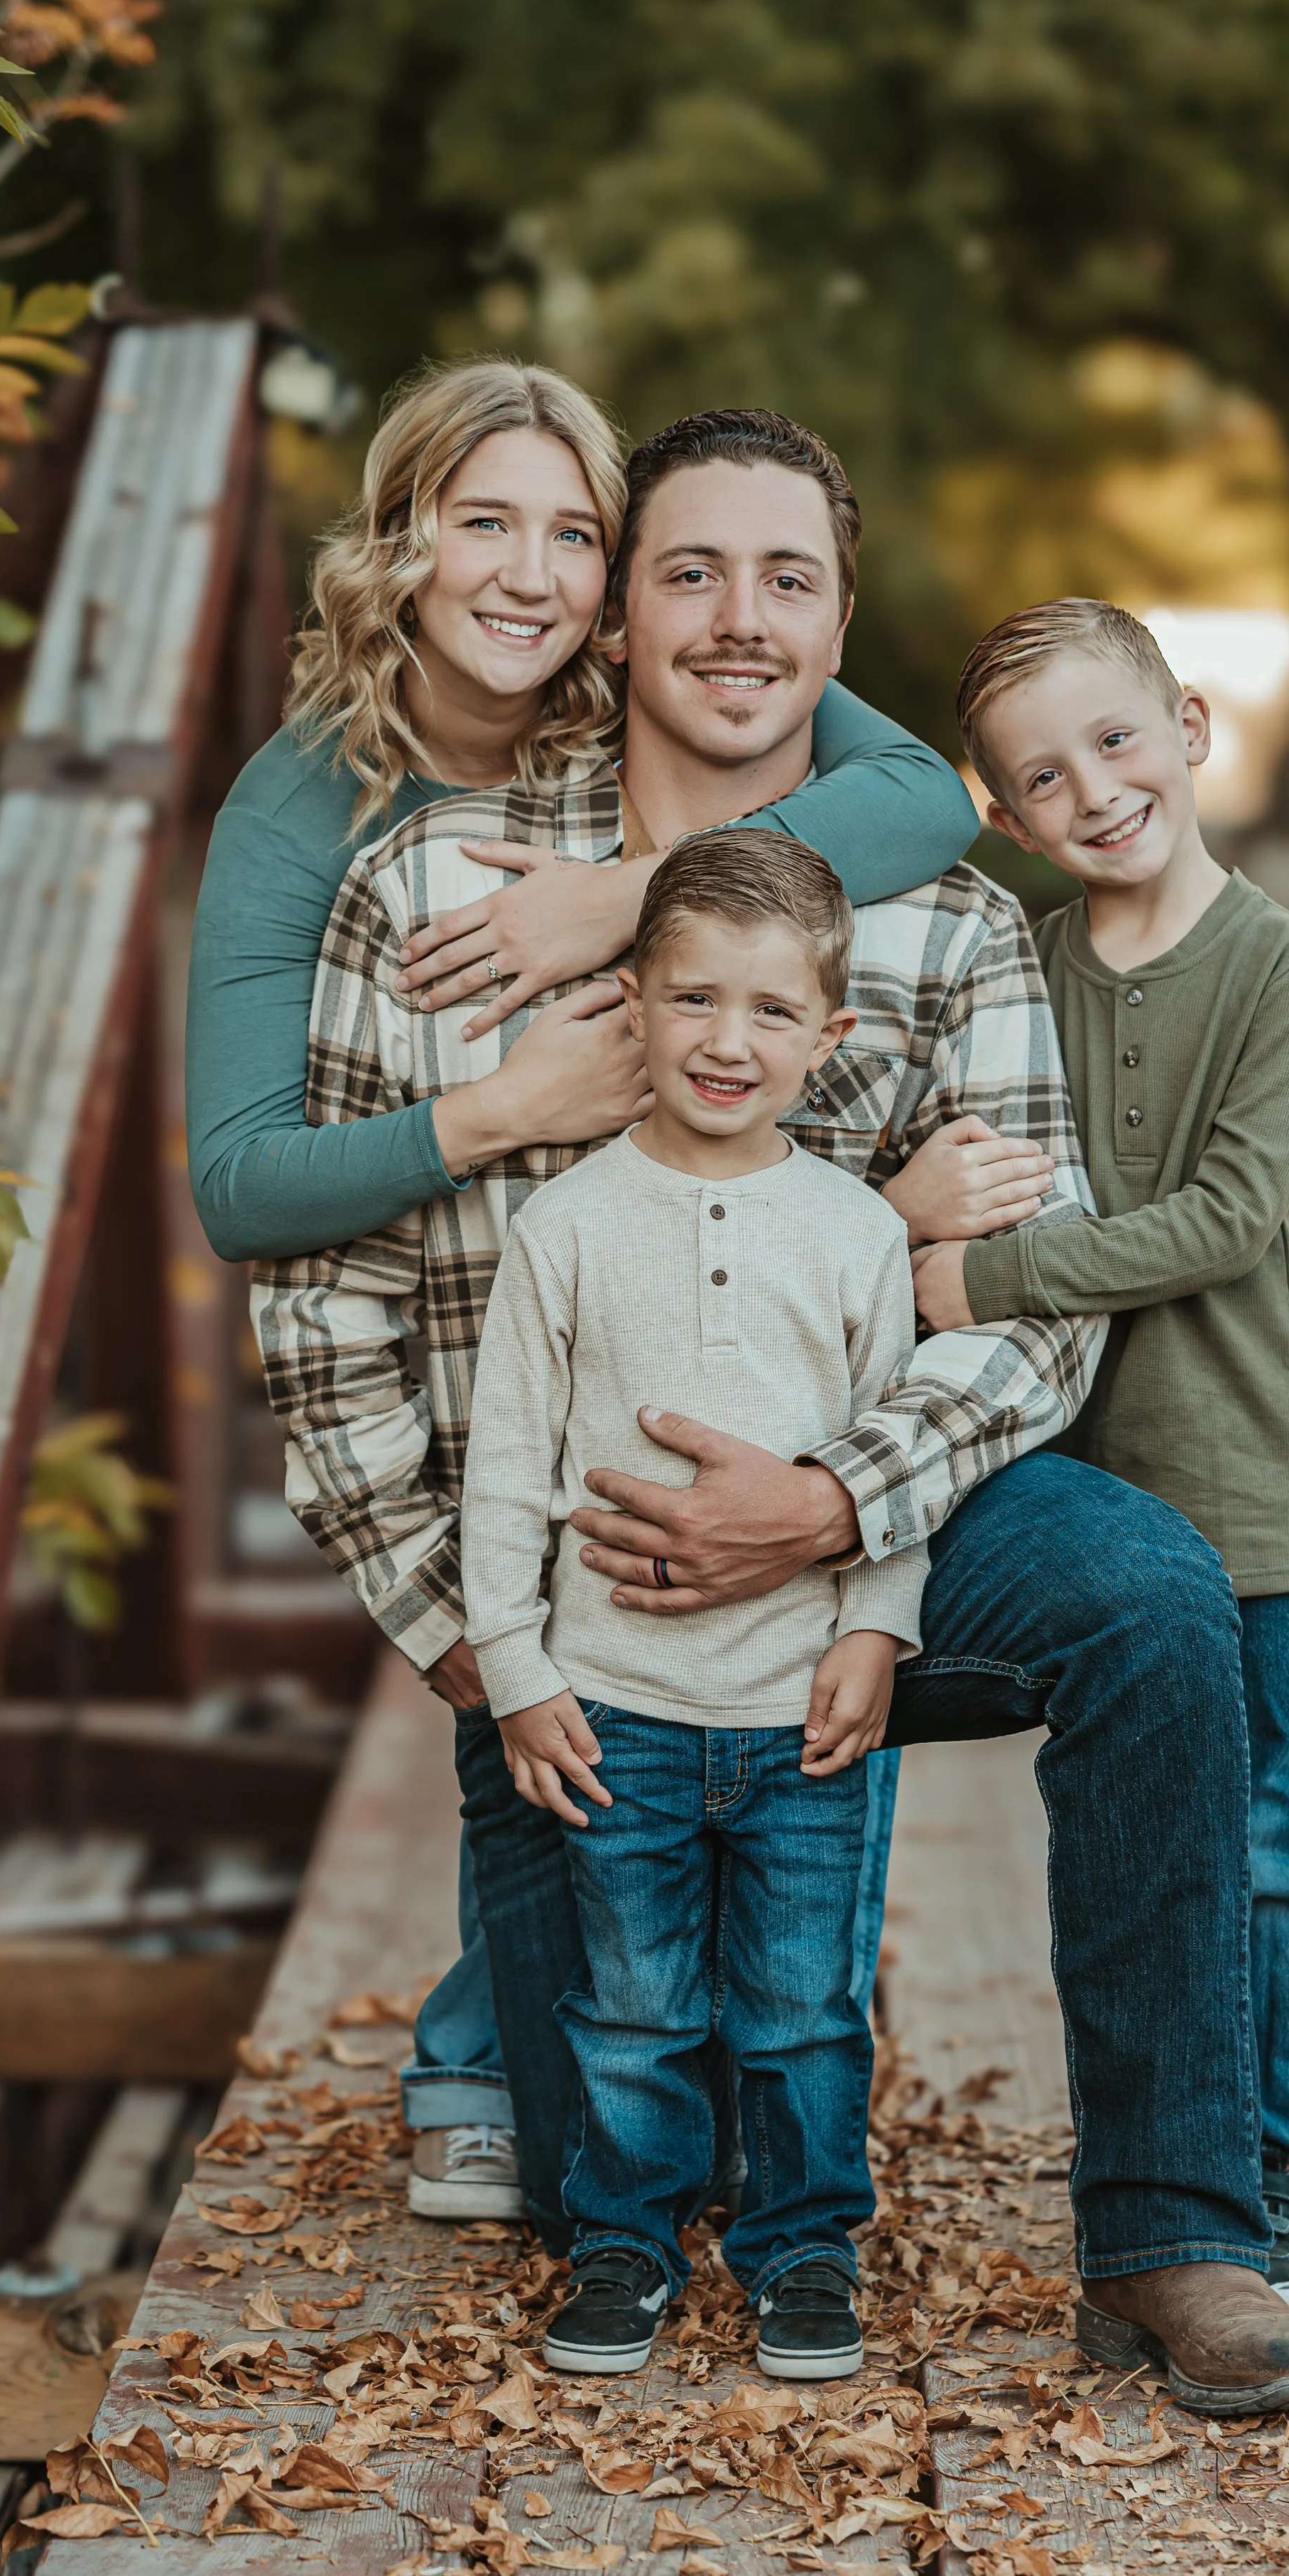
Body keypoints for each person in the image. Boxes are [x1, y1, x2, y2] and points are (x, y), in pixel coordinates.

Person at [252, 399, 1289, 2416]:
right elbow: (320, 1308)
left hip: (875, 1544)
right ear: (616, 614)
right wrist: (473, 1638)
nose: (738, 617)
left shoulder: (944, 917)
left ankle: (1180, 2228)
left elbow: (1030, 1323)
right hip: (569, 1588)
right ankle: (582, 2107)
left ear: (839, 613)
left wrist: (835, 1510)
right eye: (687, 569)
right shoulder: (444, 877)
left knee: (1150, 1592)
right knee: (600, 2202)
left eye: (787, 576)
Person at [187, 356, 984, 2218]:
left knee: (727, 2073)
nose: (536, 576)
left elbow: (921, 799)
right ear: (397, 543)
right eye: (484, 524)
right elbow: (246, 1187)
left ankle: (551, 2017)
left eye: (576, 533)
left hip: (695, 1420)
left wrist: (621, 895)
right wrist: (508, 1102)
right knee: (602, 2104)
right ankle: (495, 2019)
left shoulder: (633, 702)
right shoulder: (323, 804)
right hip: (486, 1406)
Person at [910, 598, 1289, 2316]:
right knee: (1145, 1841)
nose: (1092, 791)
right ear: (1002, 814)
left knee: (1266, 1843)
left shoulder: (1282, 966)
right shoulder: (1009, 961)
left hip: (1243, 1481)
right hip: (1076, 1486)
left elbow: (1228, 1218)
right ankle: (1165, 2159)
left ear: (1185, 725)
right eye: (1042, 775)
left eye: (1113, 740)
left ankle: (1277, 2172)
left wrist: (981, 1271)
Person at [463, 829, 925, 2379]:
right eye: (693, 1001)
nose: (729, 1042)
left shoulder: (858, 1231)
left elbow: (887, 1457)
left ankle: (803, 2253)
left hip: (798, 1705)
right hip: (617, 1709)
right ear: (634, 1003)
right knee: (637, 2005)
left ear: (828, 1036)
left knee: (803, 2007)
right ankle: (624, 2243)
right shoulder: (567, 1224)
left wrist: (876, 1625)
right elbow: (508, 1464)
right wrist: (520, 1670)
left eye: (770, 1012)